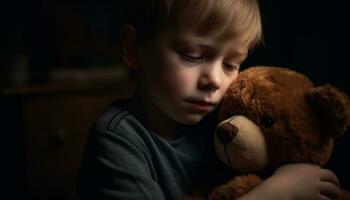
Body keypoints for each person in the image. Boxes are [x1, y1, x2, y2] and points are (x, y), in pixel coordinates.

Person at [77, 0, 341, 199]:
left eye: (230, 64)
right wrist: (276, 193)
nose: (215, 80)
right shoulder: (117, 141)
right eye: (193, 56)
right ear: (135, 49)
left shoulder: (223, 124)